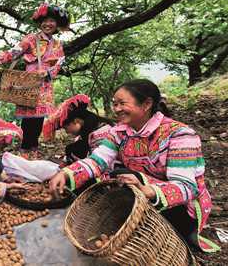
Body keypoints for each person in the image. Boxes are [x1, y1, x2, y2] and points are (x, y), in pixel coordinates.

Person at [49, 79, 219, 252]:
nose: (116, 109)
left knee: (124, 175)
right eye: (114, 104)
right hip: (140, 196)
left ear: (146, 104)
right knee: (111, 177)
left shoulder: (180, 135)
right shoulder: (118, 133)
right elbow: (97, 160)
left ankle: (183, 231)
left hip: (179, 207)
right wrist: (66, 173)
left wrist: (149, 191)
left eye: (122, 103)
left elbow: (187, 187)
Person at [0, 3, 69, 157]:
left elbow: (59, 64)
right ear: (40, 22)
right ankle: (24, 152)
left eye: (52, 21)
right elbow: (15, 51)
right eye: (44, 20)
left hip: (45, 86)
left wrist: (47, 72)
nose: (48, 24)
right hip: (28, 84)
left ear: (57, 24)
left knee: (38, 121)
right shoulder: (31, 39)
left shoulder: (58, 45)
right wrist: (0, 57)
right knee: (27, 121)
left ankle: (33, 150)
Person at [42, 94, 114, 166]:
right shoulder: (90, 131)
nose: (67, 132)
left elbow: (98, 161)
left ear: (76, 121)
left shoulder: (100, 133)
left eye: (66, 128)